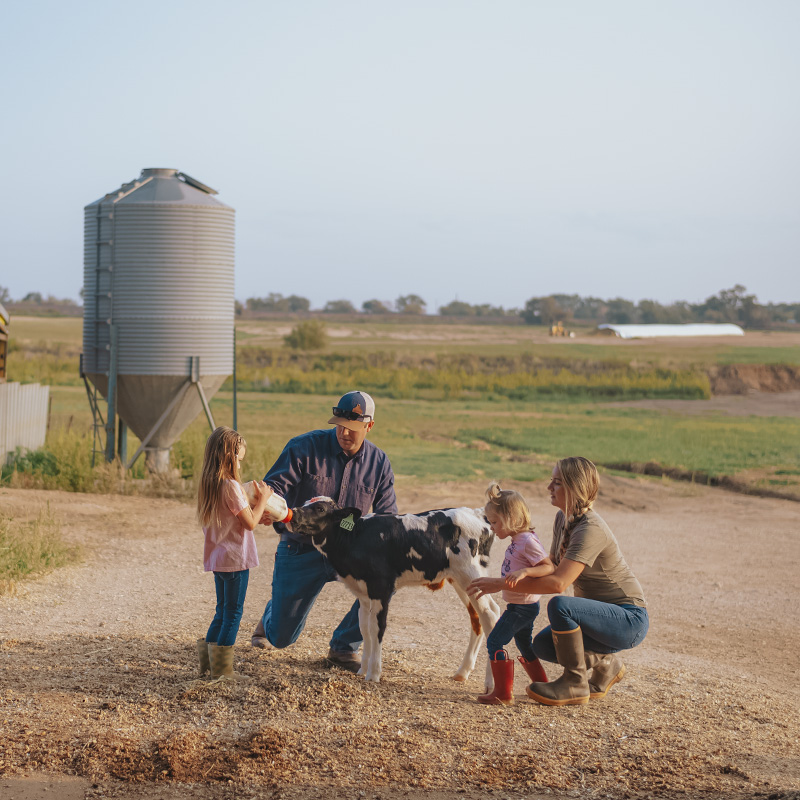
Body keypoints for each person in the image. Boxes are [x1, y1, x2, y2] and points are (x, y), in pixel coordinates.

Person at [469, 457, 648, 706]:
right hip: (602, 621)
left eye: (556, 482)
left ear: (574, 488)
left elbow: (557, 584)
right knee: (543, 646)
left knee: (560, 605)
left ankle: (575, 684)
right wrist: (517, 577)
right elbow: (549, 566)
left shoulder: (590, 528)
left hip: (628, 619)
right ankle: (606, 662)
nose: (548, 488)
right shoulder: (563, 520)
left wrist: (500, 584)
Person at [251, 391, 398, 672]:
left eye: (353, 428)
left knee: (385, 583)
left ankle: (343, 648)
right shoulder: (303, 447)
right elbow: (274, 489)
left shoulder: (379, 464)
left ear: (369, 426)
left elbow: (387, 519)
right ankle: (273, 615)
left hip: (350, 552)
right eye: (340, 425)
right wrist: (271, 509)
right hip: (300, 547)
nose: (344, 432)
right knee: (281, 638)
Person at [197, 426, 269, 681]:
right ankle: (223, 672)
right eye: (239, 457)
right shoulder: (231, 486)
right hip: (236, 560)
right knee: (233, 614)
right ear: (230, 455)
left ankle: (207, 665)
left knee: (221, 611)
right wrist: (263, 500)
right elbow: (249, 523)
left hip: (219, 559)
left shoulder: (211, 484)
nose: (240, 462)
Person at [476, 482, 554, 706]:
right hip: (521, 606)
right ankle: (543, 686)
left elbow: (548, 567)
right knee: (525, 645)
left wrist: (526, 571)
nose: (492, 528)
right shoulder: (518, 540)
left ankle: (502, 693)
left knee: (494, 642)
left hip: (522, 608)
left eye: (494, 522)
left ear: (510, 518)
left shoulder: (527, 541)